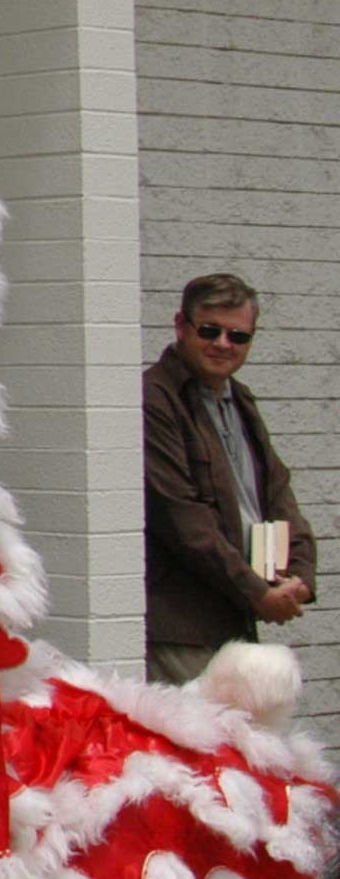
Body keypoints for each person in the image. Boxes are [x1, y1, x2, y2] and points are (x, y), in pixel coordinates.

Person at [142, 272, 316, 684]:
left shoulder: (240, 399)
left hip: (236, 619)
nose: (223, 344)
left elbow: (277, 493)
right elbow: (183, 520)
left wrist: (301, 577)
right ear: (181, 326)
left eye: (238, 336)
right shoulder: (154, 398)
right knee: (198, 744)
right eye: (210, 330)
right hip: (183, 630)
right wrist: (258, 592)